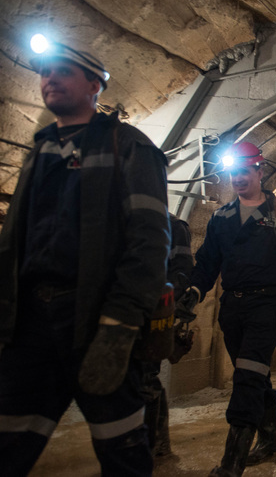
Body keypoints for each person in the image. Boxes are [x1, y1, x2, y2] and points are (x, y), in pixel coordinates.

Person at [0, 40, 170, 476]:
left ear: (94, 85)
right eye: (44, 73)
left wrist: (121, 323)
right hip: (32, 324)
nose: (50, 79)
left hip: (94, 320)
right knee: (10, 439)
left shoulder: (128, 147)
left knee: (122, 447)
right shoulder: (39, 152)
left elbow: (148, 243)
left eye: (63, 71)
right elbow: (13, 241)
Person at [175, 141, 276, 477]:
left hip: (267, 305)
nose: (237, 178)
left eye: (243, 171)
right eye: (232, 173)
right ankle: (269, 439)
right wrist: (194, 290)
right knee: (256, 375)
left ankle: (231, 463)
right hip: (233, 308)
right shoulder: (221, 217)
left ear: (259, 171)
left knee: (246, 377)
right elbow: (208, 261)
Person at [140, 213, 193, 458]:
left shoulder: (174, 226)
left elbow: (181, 273)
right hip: (123, 310)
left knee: (146, 377)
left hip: (153, 313)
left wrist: (166, 303)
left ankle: (156, 445)